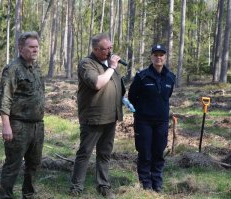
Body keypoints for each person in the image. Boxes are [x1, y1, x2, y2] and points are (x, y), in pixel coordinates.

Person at [70, 33, 125, 199]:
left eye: (110, 48)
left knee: (105, 153)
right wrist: (112, 67)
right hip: (93, 117)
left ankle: (103, 185)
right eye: (104, 49)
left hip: (111, 116)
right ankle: (76, 187)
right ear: (95, 49)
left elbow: (116, 85)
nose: (109, 52)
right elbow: (97, 83)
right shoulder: (87, 63)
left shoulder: (108, 65)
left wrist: (123, 97)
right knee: (85, 152)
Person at [0, 31, 45, 199]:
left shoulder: (37, 68)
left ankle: (29, 195)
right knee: (13, 165)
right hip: (18, 125)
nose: (35, 50)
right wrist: (6, 125)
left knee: (34, 164)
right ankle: (6, 196)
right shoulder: (13, 69)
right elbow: (5, 99)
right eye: (31, 47)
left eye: (36, 47)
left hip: (37, 125)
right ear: (20, 48)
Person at [128, 44, 175, 192]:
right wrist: (143, 110)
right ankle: (145, 183)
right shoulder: (142, 76)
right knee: (145, 152)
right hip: (144, 121)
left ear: (165, 57)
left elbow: (167, 96)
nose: (158, 57)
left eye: (161, 55)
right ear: (151, 57)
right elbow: (132, 96)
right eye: (156, 55)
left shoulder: (170, 77)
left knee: (158, 152)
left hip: (162, 121)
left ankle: (157, 182)